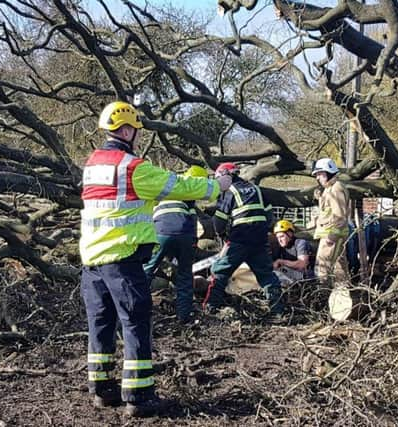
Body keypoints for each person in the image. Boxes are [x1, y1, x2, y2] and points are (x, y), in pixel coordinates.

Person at [79, 101, 232, 416]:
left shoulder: (92, 165)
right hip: (122, 258)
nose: (136, 137)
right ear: (126, 129)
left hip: (91, 260)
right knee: (135, 321)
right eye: (135, 130)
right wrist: (217, 185)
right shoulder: (133, 168)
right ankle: (139, 396)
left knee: (100, 322)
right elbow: (180, 186)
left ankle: (101, 389)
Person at [203, 162, 284, 318]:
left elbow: (219, 221)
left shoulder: (229, 192)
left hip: (240, 238)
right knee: (266, 274)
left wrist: (222, 235)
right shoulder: (257, 190)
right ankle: (277, 310)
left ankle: (211, 306)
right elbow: (269, 217)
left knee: (221, 271)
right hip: (259, 239)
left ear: (226, 176)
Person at [144, 165, 209, 324]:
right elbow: (192, 221)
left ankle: (135, 307)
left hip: (161, 233)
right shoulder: (189, 198)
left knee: (148, 270)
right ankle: (184, 317)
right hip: (185, 236)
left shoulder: (163, 193)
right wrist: (192, 244)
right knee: (185, 276)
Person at [311, 158, 351, 290]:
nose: (318, 178)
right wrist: (320, 198)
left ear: (329, 172)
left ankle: (322, 295)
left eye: (320, 174)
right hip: (333, 234)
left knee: (322, 269)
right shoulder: (330, 188)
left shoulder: (336, 188)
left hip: (332, 235)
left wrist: (331, 237)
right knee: (339, 269)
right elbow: (328, 210)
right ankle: (342, 295)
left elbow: (340, 216)